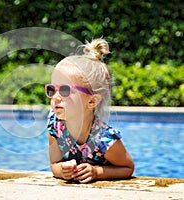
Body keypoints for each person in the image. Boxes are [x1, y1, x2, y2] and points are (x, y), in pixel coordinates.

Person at [45, 38, 134, 184]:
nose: (55, 97)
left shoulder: (104, 139)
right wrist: (62, 170)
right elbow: (54, 164)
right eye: (52, 89)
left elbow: (127, 167)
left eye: (65, 90)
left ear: (91, 101)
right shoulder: (55, 127)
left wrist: (97, 172)